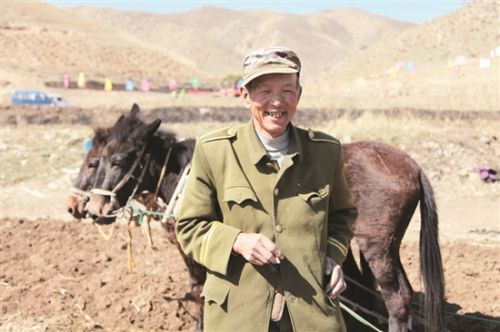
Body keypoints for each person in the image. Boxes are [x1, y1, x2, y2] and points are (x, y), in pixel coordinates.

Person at [176, 46, 357, 332]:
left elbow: (342, 216)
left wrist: (332, 257)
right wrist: (237, 241)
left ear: (299, 95)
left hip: (312, 314)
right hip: (237, 315)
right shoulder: (215, 151)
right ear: (245, 95)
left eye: (287, 90)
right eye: (264, 91)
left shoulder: (326, 152)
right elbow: (190, 227)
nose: (276, 101)